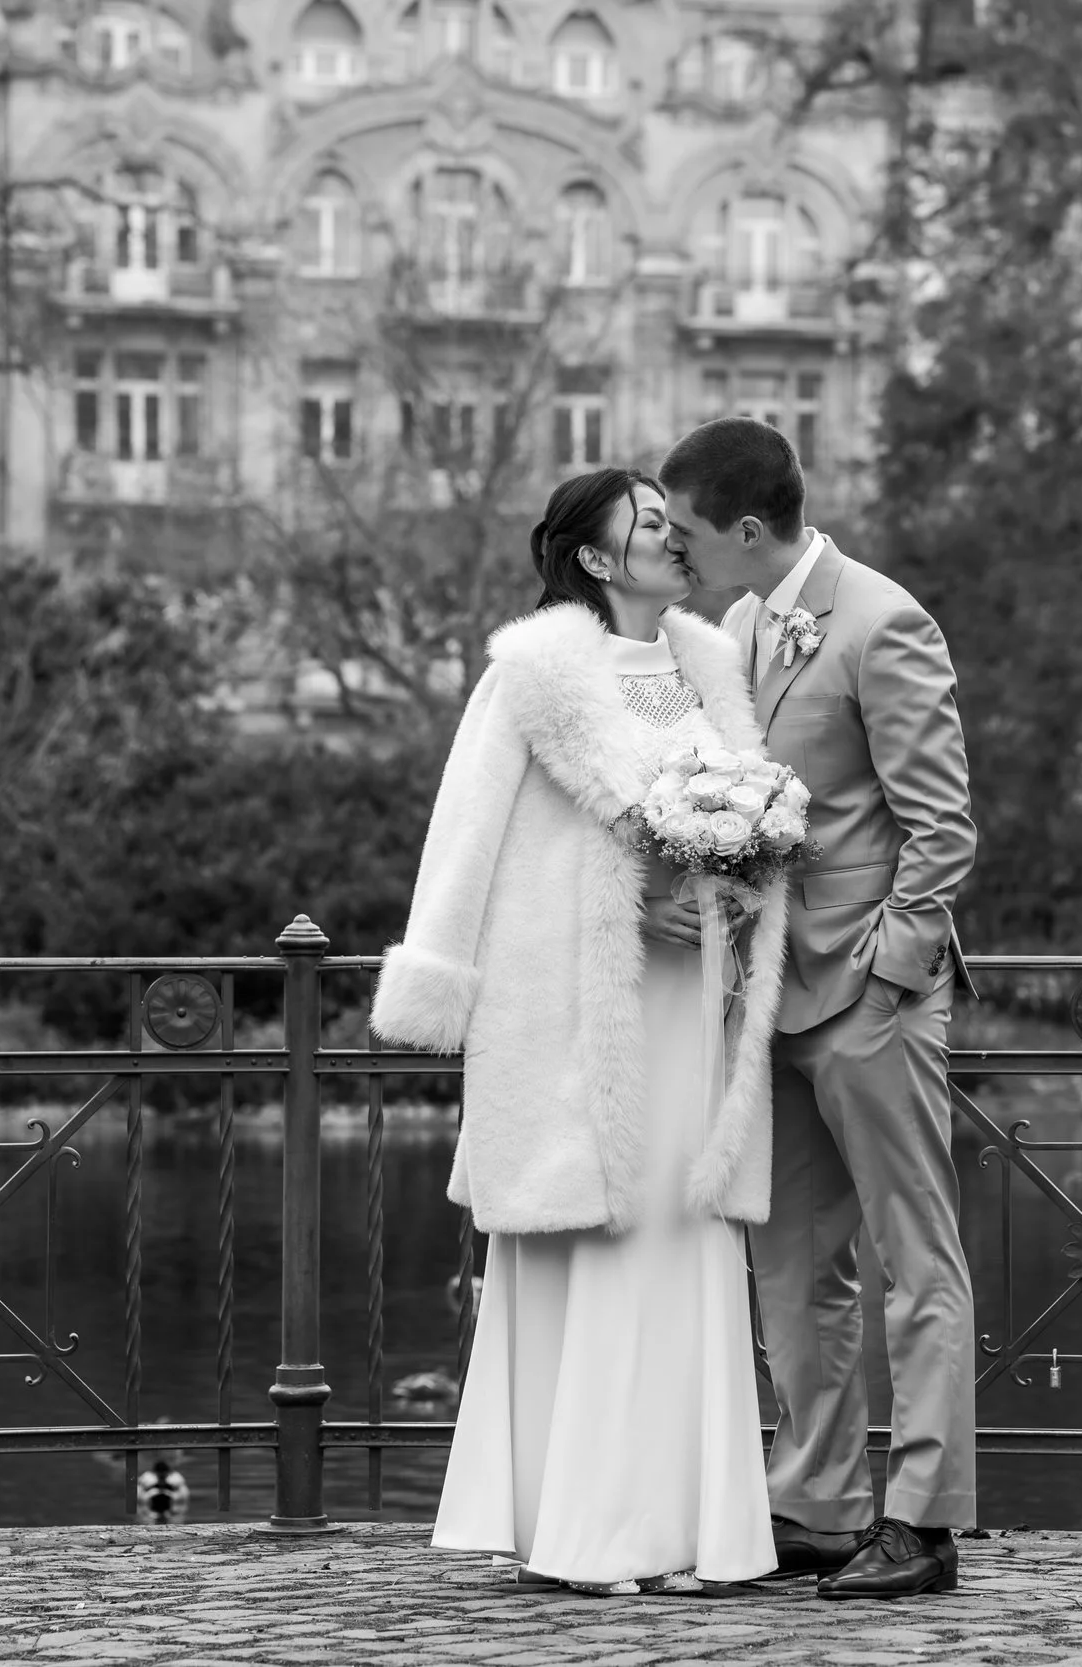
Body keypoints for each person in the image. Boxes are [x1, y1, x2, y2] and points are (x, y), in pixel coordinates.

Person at [371, 467, 793, 1594]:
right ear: (600, 559)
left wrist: (733, 887)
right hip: (574, 1004)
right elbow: (462, 834)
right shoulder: (535, 676)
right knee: (597, 1239)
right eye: (648, 522)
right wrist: (439, 976)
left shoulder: (712, 666)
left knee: (682, 1235)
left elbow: (739, 818)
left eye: (669, 518)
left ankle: (691, 1529)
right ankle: (587, 1531)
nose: (672, 533)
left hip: (692, 995)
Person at [659, 418, 980, 1601]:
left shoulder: (884, 619)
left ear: (747, 528)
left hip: (869, 994)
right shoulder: (739, 623)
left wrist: (893, 974)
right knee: (795, 1265)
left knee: (916, 1259)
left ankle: (926, 1521)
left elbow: (941, 826)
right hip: (768, 998)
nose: (678, 550)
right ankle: (819, 1503)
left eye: (687, 530)